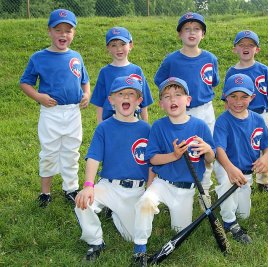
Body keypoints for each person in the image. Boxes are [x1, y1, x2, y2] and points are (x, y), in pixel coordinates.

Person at [132, 77, 215, 265]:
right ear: (161, 104)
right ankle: (139, 250)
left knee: (179, 230)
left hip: (186, 188)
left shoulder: (200, 126)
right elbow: (152, 158)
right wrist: (174, 155)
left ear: (188, 100)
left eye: (178, 95)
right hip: (163, 182)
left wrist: (208, 151)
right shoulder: (159, 127)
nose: (173, 100)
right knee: (145, 202)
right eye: (167, 97)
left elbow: (211, 159)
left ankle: (171, 214)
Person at [74, 76, 152, 261]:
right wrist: (88, 185)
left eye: (131, 94)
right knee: (82, 202)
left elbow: (153, 162)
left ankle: (115, 213)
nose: (126, 97)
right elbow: (93, 158)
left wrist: (150, 187)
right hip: (109, 185)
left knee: (132, 237)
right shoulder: (104, 128)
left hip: (136, 189)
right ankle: (95, 241)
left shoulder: (146, 129)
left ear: (139, 101)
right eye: (121, 94)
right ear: (111, 100)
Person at [20, 9, 90, 207]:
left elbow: (85, 80)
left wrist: (86, 94)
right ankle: (45, 192)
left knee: (71, 150)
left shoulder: (76, 56)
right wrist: (38, 96)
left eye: (68, 31)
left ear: (74, 33)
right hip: (51, 113)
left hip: (73, 112)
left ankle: (71, 188)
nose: (63, 34)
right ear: (49, 31)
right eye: (57, 30)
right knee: (49, 152)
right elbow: (25, 83)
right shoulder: (39, 57)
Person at [154, 12, 219, 201]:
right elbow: (161, 81)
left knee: (205, 147)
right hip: (182, 112)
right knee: (183, 148)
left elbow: (212, 82)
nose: (192, 33)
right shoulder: (171, 60)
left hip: (205, 109)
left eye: (197, 29)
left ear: (203, 34)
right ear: (179, 34)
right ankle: (179, 182)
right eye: (187, 29)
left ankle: (204, 188)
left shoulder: (210, 58)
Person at [213, 74, 268, 244]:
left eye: (244, 97)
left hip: (246, 173)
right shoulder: (223, 120)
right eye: (233, 96)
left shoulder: (258, 119)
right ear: (225, 97)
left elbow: (267, 145)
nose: (238, 101)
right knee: (227, 182)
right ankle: (229, 223)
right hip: (226, 165)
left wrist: (266, 157)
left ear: (252, 97)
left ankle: (225, 201)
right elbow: (219, 150)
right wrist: (230, 169)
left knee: (244, 214)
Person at [224, 30, 268, 193]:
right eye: (241, 45)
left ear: (257, 49)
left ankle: (263, 180)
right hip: (239, 115)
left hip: (260, 114)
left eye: (251, 45)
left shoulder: (263, 69)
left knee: (262, 146)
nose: (246, 48)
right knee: (242, 145)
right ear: (235, 49)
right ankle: (243, 175)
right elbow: (227, 98)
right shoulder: (232, 72)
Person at [90, 26, 153, 123]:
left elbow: (144, 102)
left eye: (123, 44)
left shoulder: (137, 70)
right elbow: (99, 103)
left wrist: (146, 125)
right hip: (110, 122)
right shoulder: (105, 72)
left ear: (130, 45)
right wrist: (100, 125)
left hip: (133, 121)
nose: (119, 49)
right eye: (114, 45)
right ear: (108, 48)